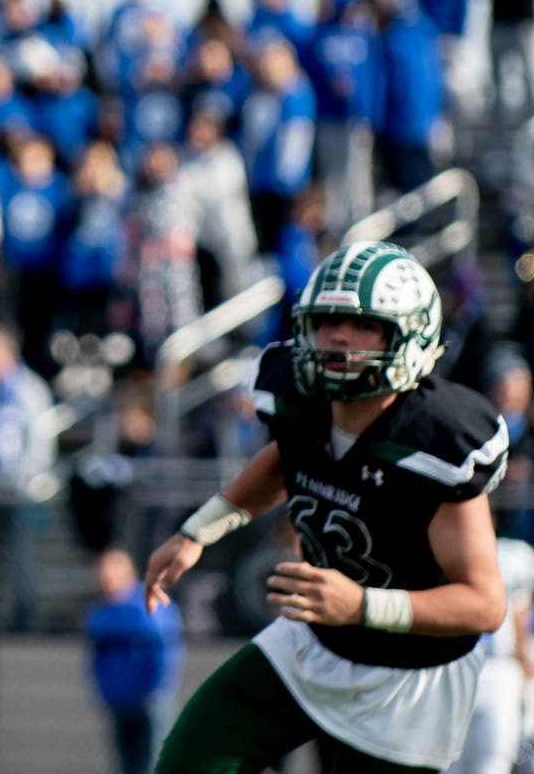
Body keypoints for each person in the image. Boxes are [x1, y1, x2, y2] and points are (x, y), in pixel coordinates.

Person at [145, 241, 510, 773]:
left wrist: (362, 605)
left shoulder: (434, 442)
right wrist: (199, 531)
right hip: (314, 641)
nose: (337, 336)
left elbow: (483, 604)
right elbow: (285, 459)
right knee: (191, 760)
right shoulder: (301, 400)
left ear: (410, 335)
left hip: (407, 679)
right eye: (326, 321)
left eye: (363, 325)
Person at [82, 548, 183, 774]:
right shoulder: (100, 610)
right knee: (127, 766)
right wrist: (102, 690)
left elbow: (164, 653)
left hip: (150, 701)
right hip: (119, 700)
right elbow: (95, 657)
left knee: (154, 763)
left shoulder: (149, 603)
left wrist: (156, 689)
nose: (104, 581)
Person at [444, 534, 534, 774]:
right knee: (449, 762)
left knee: (494, 761)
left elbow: (520, 617)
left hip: (499, 666)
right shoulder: (447, 549)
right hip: (454, 664)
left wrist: (526, 673)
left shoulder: (514, 555)